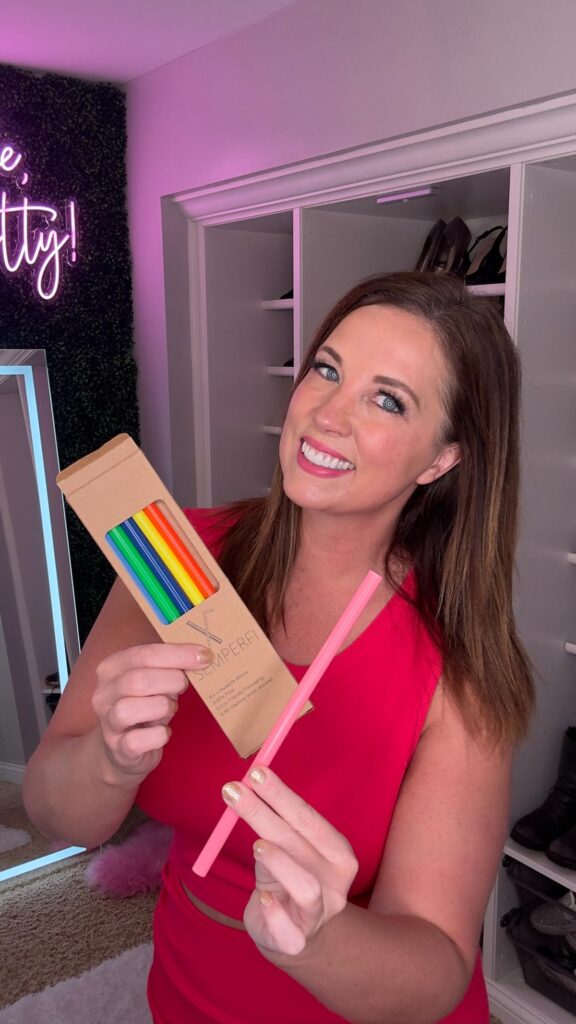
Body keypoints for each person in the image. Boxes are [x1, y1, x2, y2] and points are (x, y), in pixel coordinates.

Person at [24, 271, 534, 1024]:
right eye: (327, 370)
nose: (327, 414)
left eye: (386, 399)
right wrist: (106, 759)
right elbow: (51, 810)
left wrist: (321, 940)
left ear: (440, 461)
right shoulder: (176, 556)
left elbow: (437, 967)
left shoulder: (457, 665)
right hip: (186, 992)